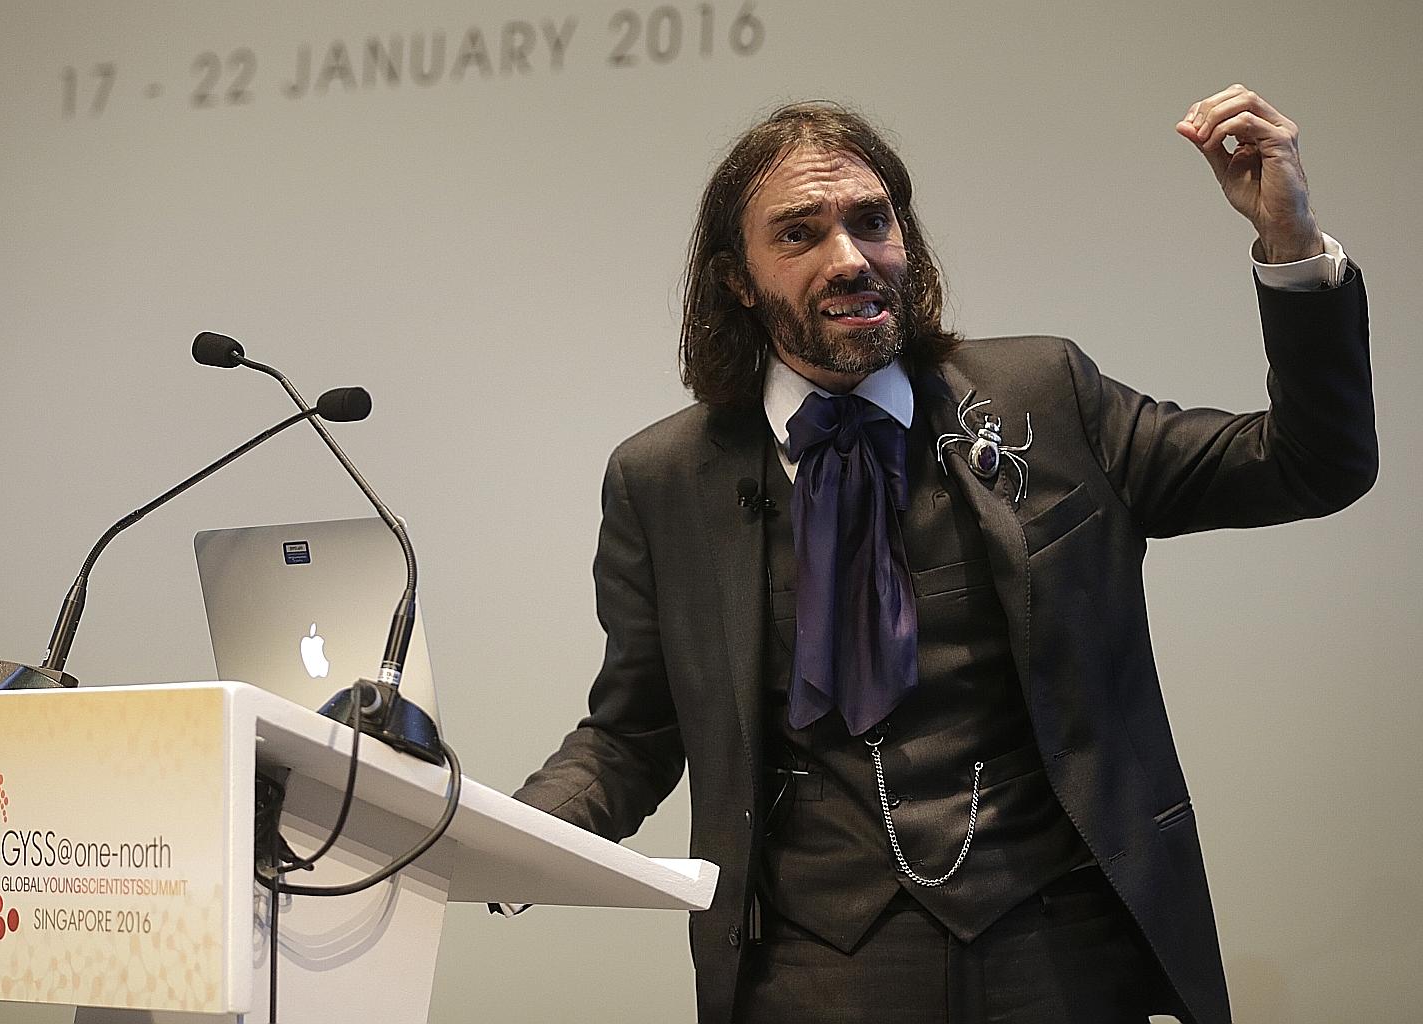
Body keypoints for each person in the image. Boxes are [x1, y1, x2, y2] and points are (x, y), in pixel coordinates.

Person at [512, 86, 1376, 1024]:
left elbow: (1311, 463)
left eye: (870, 221)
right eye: (799, 234)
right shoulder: (664, 479)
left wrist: (1291, 244)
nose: (849, 258)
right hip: (811, 973)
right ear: (738, 279)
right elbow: (633, 733)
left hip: (1061, 951)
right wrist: (502, 835)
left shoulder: (1045, 394)